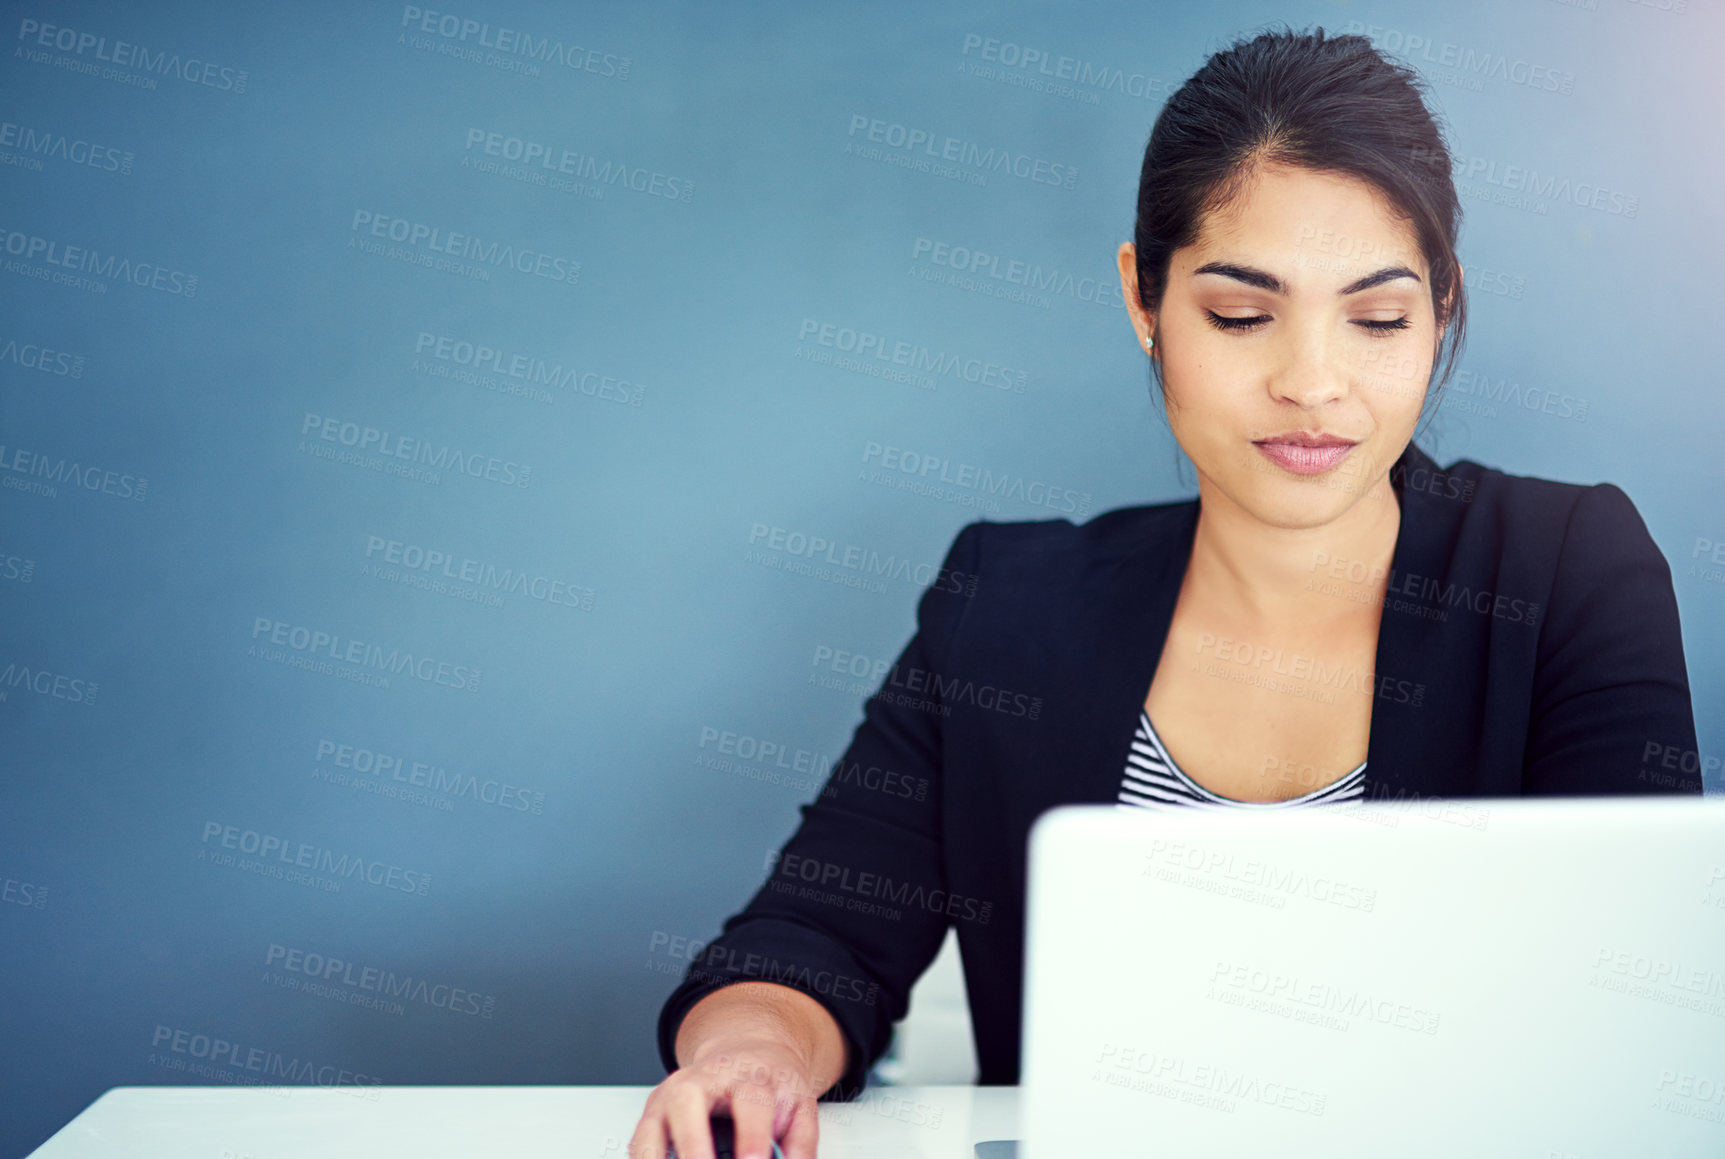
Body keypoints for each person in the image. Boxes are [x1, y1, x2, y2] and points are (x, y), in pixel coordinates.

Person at [628, 24, 1700, 1159]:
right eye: (1242, 314)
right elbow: (806, 941)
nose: (1312, 383)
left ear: (1440, 309)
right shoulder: (1007, 606)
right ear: (1145, 298)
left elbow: (1631, 1002)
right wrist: (754, 1055)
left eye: (1378, 318)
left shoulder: (1567, 567)